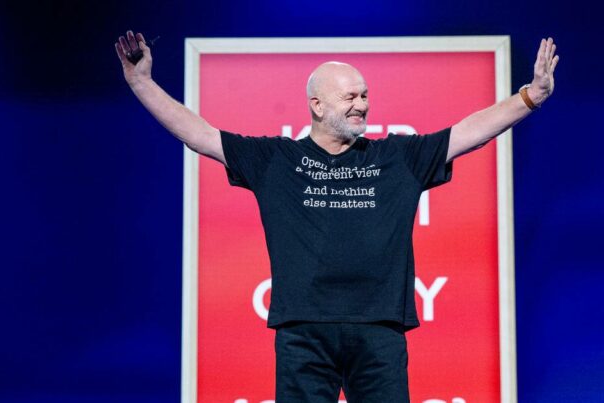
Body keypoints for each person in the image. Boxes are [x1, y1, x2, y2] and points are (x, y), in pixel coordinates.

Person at [116, 30, 559, 402]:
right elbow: (199, 135)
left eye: (365, 95)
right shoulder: (276, 160)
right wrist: (141, 84)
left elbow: (468, 133)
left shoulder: (397, 157)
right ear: (317, 105)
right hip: (303, 333)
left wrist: (531, 97)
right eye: (350, 96)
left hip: (379, 330)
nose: (361, 104)